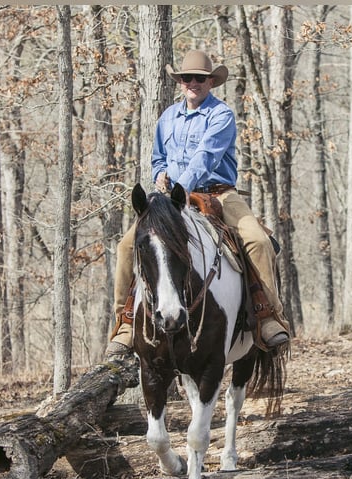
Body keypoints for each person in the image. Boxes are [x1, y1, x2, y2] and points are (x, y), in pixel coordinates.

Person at [105, 49, 289, 375]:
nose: (193, 83)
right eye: (187, 78)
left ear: (210, 82)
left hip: (218, 194)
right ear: (179, 82)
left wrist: (180, 190)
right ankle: (125, 321)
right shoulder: (167, 118)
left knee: (257, 241)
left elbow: (206, 158)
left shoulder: (222, 115)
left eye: (200, 79)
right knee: (126, 246)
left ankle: (266, 315)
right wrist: (160, 176)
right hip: (169, 198)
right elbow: (158, 158)